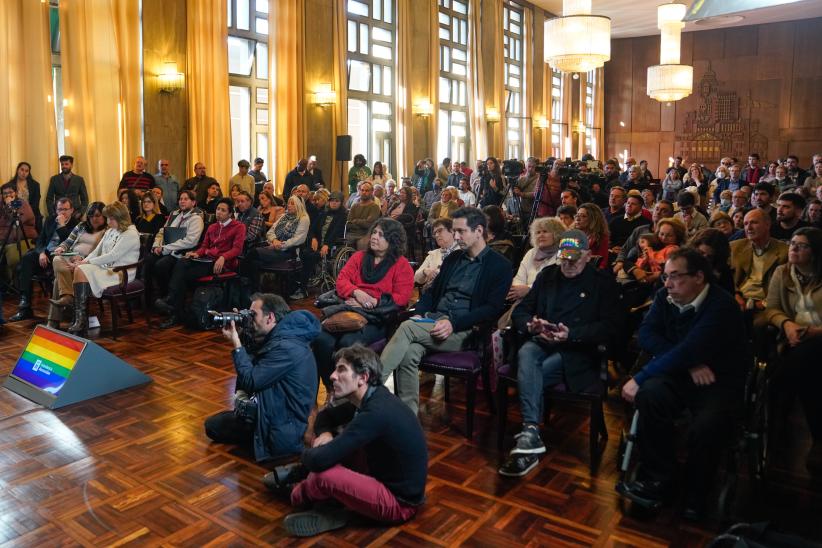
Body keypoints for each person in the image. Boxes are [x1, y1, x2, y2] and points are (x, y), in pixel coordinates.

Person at [618, 248, 747, 520]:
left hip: (718, 379)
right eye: (665, 277)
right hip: (682, 372)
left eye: (675, 277)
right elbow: (646, 333)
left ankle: (697, 491)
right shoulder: (666, 297)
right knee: (651, 396)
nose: (667, 284)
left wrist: (640, 377)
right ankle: (659, 476)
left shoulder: (721, 306)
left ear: (699, 276)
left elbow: (692, 347)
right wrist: (687, 361)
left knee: (706, 426)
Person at [499, 229, 623, 476]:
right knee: (526, 353)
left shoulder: (602, 283)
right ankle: (532, 432)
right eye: (563, 258)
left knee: (536, 373)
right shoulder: (548, 275)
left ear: (588, 255)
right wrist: (531, 324)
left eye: (574, 259)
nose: (567, 264)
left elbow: (612, 327)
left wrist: (573, 333)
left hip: (577, 350)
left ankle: (528, 438)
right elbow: (522, 310)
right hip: (544, 340)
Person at [281, 345, 427, 537]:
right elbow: (325, 418)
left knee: (323, 474)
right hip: (378, 473)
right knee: (335, 447)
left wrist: (311, 456)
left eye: (341, 370)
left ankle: (297, 492)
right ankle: (325, 500)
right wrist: (326, 435)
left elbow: (318, 460)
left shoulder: (376, 412)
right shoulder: (371, 397)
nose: (333, 375)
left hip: (399, 503)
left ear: (363, 377)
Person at [379, 207, 512, 413]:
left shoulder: (499, 265)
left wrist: (453, 324)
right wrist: (419, 312)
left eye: (461, 231)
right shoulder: (453, 259)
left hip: (464, 330)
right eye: (455, 231)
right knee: (409, 353)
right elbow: (432, 294)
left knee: (406, 328)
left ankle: (367, 389)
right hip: (433, 322)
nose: (456, 236)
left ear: (478, 230)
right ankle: (408, 417)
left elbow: (491, 309)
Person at [205, 293, 320, 462]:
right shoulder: (282, 335)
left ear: (270, 317)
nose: (250, 319)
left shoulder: (287, 347)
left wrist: (236, 344)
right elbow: (258, 359)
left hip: (281, 426)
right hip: (270, 410)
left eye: (254, 315)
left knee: (216, 427)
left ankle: (260, 441)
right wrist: (244, 332)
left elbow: (251, 380)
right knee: (213, 426)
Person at [313, 218, 414, 390]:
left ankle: (349, 389)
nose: (374, 237)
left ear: (393, 240)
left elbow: (401, 298)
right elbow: (342, 280)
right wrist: (357, 292)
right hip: (348, 308)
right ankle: (332, 386)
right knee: (320, 339)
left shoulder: (402, 265)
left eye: (381, 234)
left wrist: (373, 301)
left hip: (376, 317)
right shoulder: (359, 257)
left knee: (348, 342)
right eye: (374, 232)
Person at [764, 227, 822, 473]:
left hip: (817, 337)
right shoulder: (782, 272)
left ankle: (781, 422)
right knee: (801, 363)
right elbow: (772, 308)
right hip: (792, 335)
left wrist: (812, 332)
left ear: (815, 251)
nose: (794, 249)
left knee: (801, 363)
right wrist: (786, 324)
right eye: (792, 244)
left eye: (802, 245)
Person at [157, 198, 246, 328]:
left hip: (222, 264)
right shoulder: (212, 227)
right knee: (182, 262)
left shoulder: (239, 227)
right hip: (207, 260)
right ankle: (175, 307)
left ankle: (174, 308)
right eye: (217, 209)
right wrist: (197, 253)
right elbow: (204, 247)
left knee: (182, 275)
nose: (219, 212)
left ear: (230, 213)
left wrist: (223, 257)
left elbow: (237, 249)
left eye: (223, 210)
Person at [68, 201, 141, 336]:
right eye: (107, 217)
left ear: (120, 218)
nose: (107, 221)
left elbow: (112, 256)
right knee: (80, 269)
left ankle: (80, 319)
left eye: (111, 218)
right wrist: (83, 262)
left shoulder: (130, 233)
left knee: (81, 269)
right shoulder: (111, 230)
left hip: (121, 272)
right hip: (107, 268)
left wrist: (86, 263)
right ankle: (80, 318)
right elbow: (97, 251)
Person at [7, 197, 77, 321]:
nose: (62, 213)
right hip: (46, 254)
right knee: (27, 259)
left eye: (65, 209)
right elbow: (40, 240)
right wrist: (41, 253)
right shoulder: (50, 220)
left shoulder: (76, 224)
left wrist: (61, 226)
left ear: (72, 210)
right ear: (55, 210)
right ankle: (25, 307)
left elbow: (69, 243)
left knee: (31, 264)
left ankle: (63, 310)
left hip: (60, 257)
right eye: (59, 209)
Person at [46, 202, 107, 328]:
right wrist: (61, 247)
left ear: (104, 216)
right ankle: (67, 296)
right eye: (90, 216)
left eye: (97, 216)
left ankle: (53, 321)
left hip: (87, 265)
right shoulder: (81, 226)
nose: (93, 219)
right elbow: (68, 241)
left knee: (58, 281)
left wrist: (82, 260)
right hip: (70, 259)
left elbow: (101, 254)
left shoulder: (107, 231)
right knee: (57, 259)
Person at [144, 190, 205, 303]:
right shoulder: (174, 214)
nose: (182, 201)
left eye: (186, 199)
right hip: (164, 248)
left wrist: (165, 248)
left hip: (180, 252)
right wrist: (156, 245)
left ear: (193, 202)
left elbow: (190, 241)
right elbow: (162, 231)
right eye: (181, 199)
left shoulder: (196, 218)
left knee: (160, 265)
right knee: (148, 260)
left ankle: (168, 297)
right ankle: (147, 297)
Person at [731, 208, 789, 325]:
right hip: (738, 298)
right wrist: (736, 295)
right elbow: (726, 276)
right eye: (746, 224)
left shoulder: (784, 251)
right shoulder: (735, 247)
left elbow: (784, 286)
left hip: (765, 302)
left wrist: (762, 304)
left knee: (757, 324)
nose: (748, 228)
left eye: (754, 222)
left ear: (767, 225)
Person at [246, 195, 310, 295]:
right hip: (275, 247)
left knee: (252, 253)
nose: (289, 205)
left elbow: (298, 239)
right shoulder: (284, 216)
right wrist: (275, 240)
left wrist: (281, 245)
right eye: (288, 203)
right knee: (254, 262)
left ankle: (249, 289)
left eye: (292, 203)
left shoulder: (303, 219)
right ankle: (255, 291)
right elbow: (270, 232)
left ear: (299, 205)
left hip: (289, 252)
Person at [1, 183, 38, 282]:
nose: (8, 195)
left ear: (16, 193)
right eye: (5, 193)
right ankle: (6, 285)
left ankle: (16, 284)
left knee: (13, 258)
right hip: (4, 240)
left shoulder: (22, 203)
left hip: (22, 238)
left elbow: (18, 221)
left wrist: (10, 206)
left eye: (10, 192)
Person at [414, 218, 459, 290]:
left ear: (452, 230)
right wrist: (425, 271)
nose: (437, 235)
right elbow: (416, 278)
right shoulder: (433, 254)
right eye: (435, 233)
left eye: (440, 231)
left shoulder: (464, 252)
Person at [691, 228, 735, 294]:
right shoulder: (684, 263)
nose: (703, 258)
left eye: (709, 256)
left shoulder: (724, 273)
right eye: (701, 253)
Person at [7, 161, 42, 232]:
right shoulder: (10, 185)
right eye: (22, 170)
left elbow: (35, 204)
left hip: (31, 214)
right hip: (14, 214)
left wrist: (26, 214)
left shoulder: (35, 185)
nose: (24, 173)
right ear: (17, 170)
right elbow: (8, 203)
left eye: (26, 171)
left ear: (29, 173)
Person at [345, 182, 381, 249]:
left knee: (362, 244)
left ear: (371, 192)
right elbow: (349, 222)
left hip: (366, 234)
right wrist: (361, 222)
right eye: (362, 190)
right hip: (351, 234)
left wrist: (356, 221)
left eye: (367, 190)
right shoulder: (355, 206)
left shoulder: (374, 207)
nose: (364, 192)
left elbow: (369, 224)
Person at [574, 203, 609, 269]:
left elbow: (602, 264)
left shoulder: (601, 237)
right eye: (577, 215)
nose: (578, 219)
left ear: (593, 219)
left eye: (583, 216)